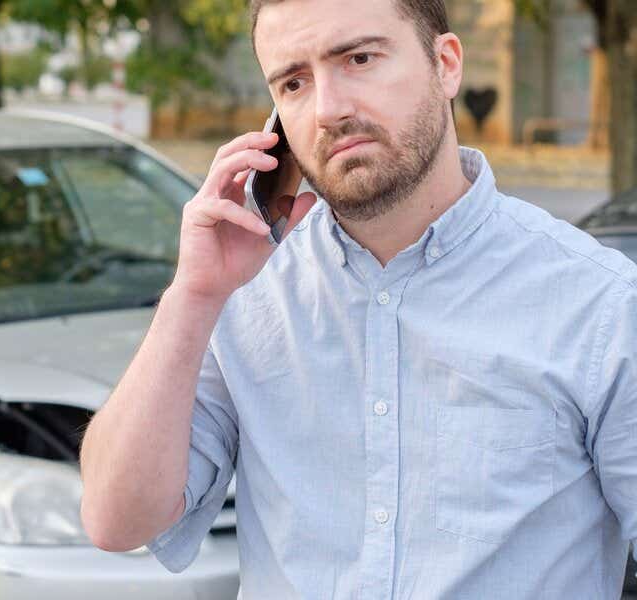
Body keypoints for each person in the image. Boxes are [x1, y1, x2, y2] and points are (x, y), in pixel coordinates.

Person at [79, 0, 637, 597]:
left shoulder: (599, 303)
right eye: (293, 82)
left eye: (360, 58)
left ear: (446, 65)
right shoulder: (244, 292)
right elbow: (118, 522)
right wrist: (191, 296)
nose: (328, 109)